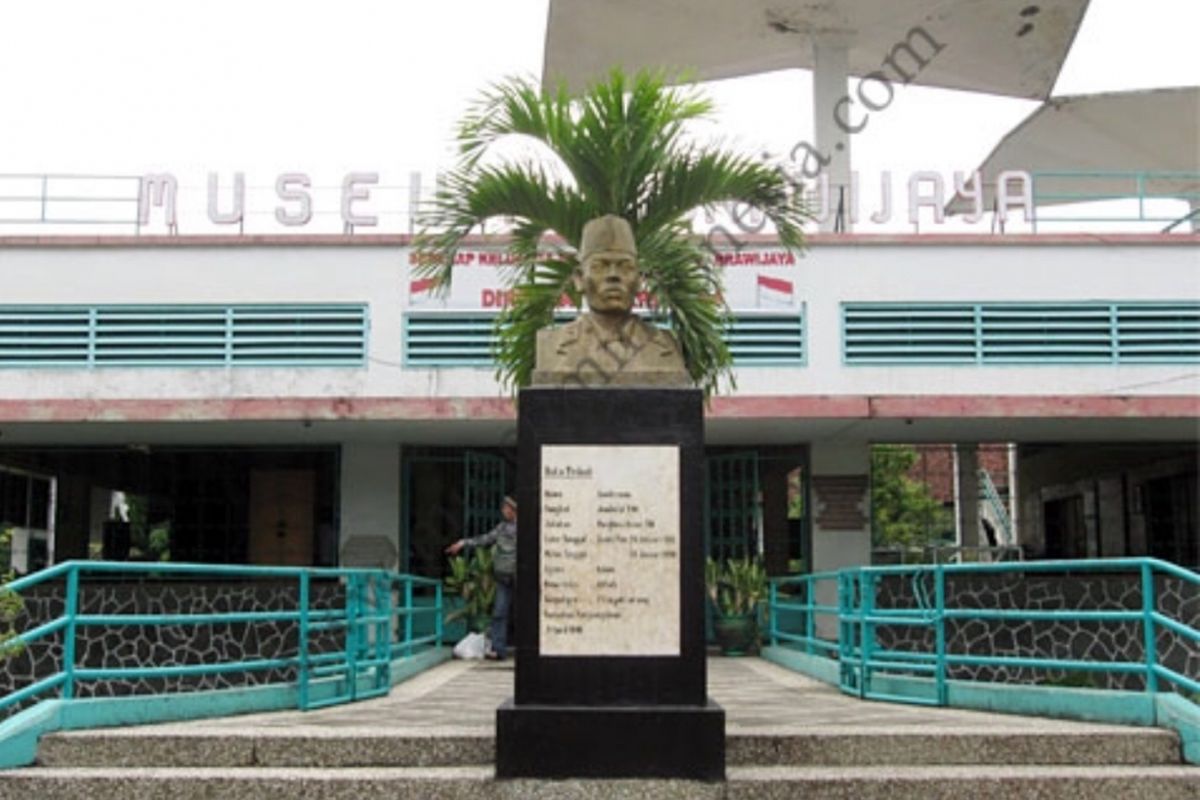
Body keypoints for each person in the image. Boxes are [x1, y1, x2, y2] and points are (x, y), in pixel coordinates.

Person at [532, 214, 689, 386]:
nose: (613, 276)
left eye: (625, 267)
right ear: (579, 279)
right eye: (600, 266)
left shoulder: (666, 346)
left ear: (639, 281)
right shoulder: (552, 345)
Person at [445, 496, 517, 660]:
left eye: (506, 508)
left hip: (519, 576)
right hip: (503, 577)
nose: (503, 511)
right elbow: (484, 539)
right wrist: (463, 543)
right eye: (503, 508)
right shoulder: (501, 528)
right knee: (499, 613)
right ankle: (499, 650)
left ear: (513, 510)